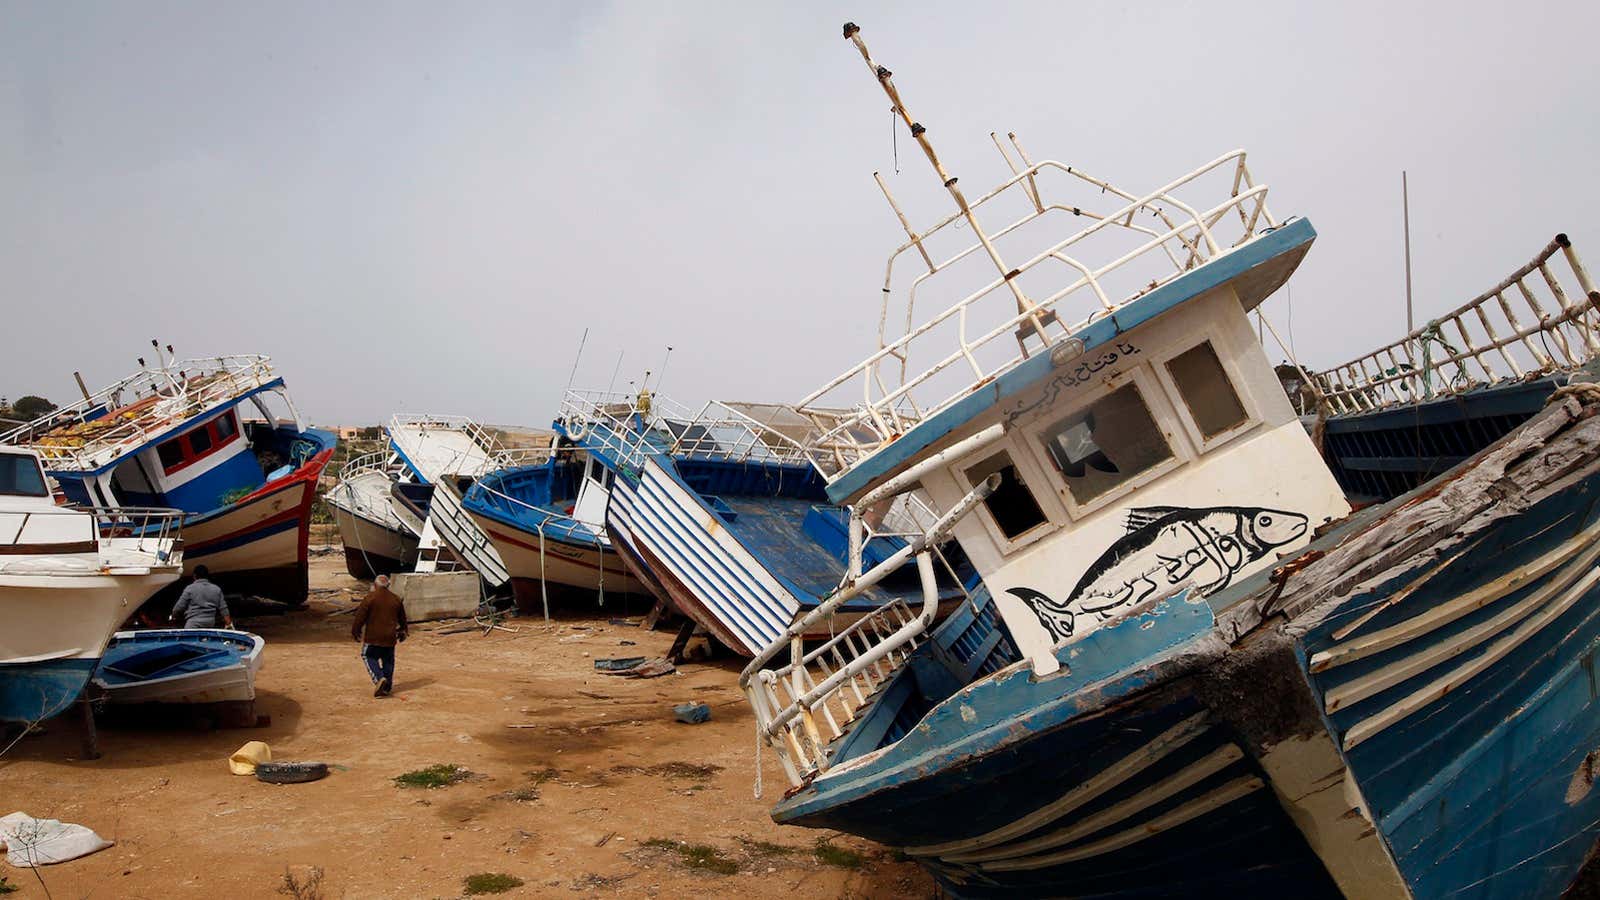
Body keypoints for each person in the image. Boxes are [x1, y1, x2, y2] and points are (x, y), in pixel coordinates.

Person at [351, 574, 408, 697]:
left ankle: (379, 678)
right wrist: (403, 631)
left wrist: (356, 631)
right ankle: (386, 688)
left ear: (375, 585)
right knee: (388, 661)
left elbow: (360, 617)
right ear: (388, 585)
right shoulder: (396, 599)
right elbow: (402, 619)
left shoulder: (370, 598)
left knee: (368, 656)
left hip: (373, 637)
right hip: (390, 638)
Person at [170, 565, 234, 629]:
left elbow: (178, 607)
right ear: (207, 576)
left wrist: (173, 616)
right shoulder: (216, 589)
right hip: (210, 623)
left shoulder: (190, 588)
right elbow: (223, 609)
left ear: (194, 576)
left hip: (193, 623)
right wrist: (228, 623)